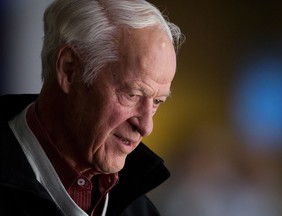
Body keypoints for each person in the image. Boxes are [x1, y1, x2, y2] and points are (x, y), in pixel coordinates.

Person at [0, 0, 184, 215]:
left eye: (156, 102)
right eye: (132, 94)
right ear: (69, 70)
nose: (146, 126)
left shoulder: (141, 210)